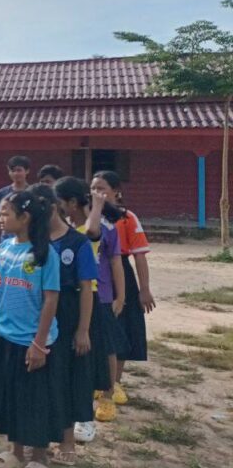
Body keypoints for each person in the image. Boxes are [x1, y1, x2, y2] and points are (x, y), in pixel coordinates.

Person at [0, 190, 60, 468]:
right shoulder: (4, 248)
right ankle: (15, 450)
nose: (0, 219)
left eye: (5, 214)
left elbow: (51, 299)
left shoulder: (44, 254)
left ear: (25, 217)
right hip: (4, 334)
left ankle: (39, 455)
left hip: (31, 339)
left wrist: (39, 343)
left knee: (34, 399)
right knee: (10, 394)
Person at [54, 178, 125, 438]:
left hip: (91, 299)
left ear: (72, 202)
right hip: (68, 300)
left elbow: (92, 232)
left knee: (94, 356)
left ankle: (93, 411)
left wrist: (96, 205)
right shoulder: (67, 225)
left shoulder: (94, 226)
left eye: (60, 202)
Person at [30, 184, 96, 466]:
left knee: (65, 377)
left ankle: (67, 442)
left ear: (53, 206)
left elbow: (86, 288)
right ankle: (38, 439)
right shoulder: (33, 240)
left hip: (67, 314)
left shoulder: (77, 242)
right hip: (36, 313)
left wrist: (83, 330)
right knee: (39, 378)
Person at [91, 171, 152, 406]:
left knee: (121, 326)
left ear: (116, 191)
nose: (97, 193)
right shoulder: (89, 215)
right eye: (93, 188)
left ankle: (115, 382)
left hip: (120, 273)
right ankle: (98, 379)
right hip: (96, 272)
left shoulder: (127, 218)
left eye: (102, 188)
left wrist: (144, 289)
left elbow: (140, 256)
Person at [0, 156, 31, 255]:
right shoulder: (2, 193)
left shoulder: (32, 193)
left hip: (28, 239)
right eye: (12, 171)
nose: (16, 173)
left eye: (19, 170)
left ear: (27, 171)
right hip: (6, 238)